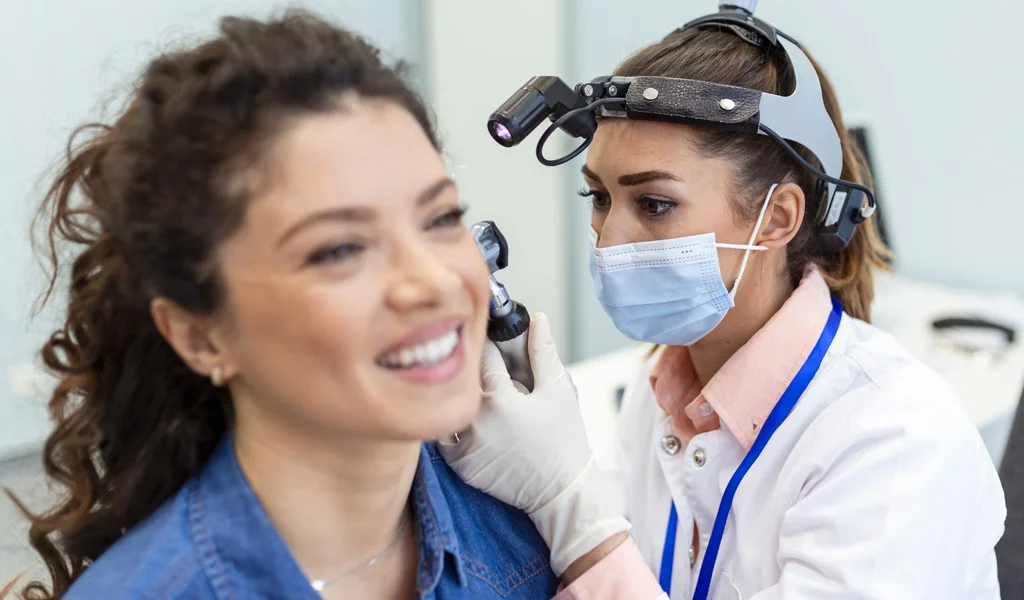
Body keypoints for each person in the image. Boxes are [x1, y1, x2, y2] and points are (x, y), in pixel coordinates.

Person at [1, 11, 639, 600]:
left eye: (441, 218)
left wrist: (573, 511)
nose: (433, 282)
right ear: (200, 334)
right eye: (338, 249)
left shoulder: (518, 522)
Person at [440, 12, 1007, 600]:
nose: (607, 239)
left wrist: (569, 502)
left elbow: (597, 550)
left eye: (655, 204)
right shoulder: (662, 388)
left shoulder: (895, 439)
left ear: (778, 218)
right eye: (600, 197)